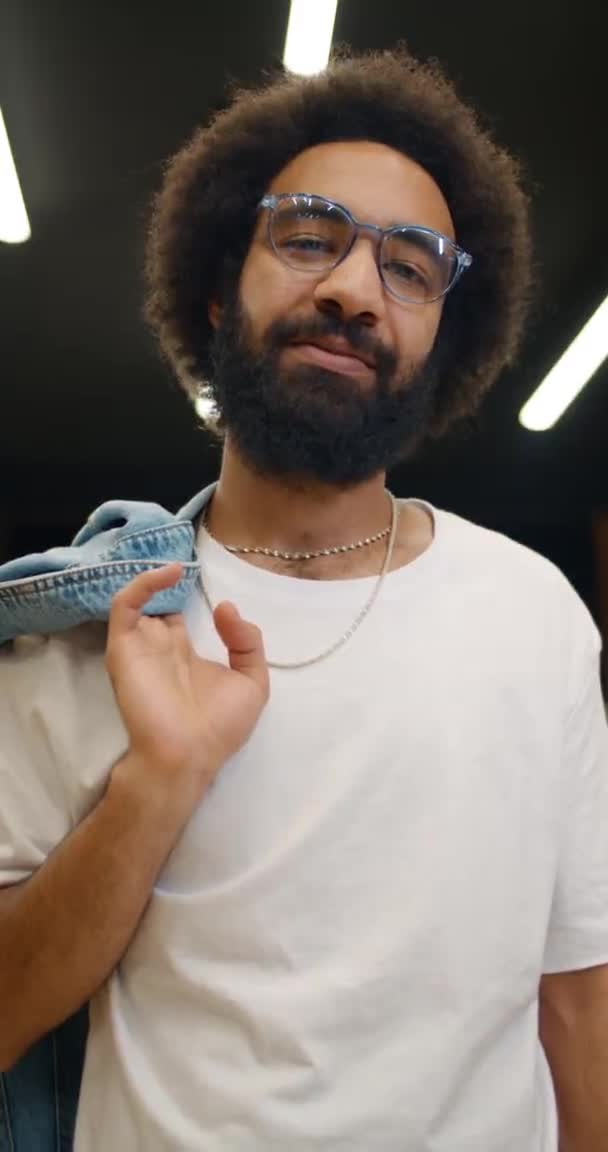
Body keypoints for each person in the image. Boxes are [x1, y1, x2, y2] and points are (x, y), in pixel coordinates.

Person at [1, 44, 607, 1152]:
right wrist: (156, 784)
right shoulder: (91, 629)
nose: (350, 290)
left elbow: (575, 998)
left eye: (411, 267)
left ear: (443, 341)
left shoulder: (533, 616)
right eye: (306, 237)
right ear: (220, 290)